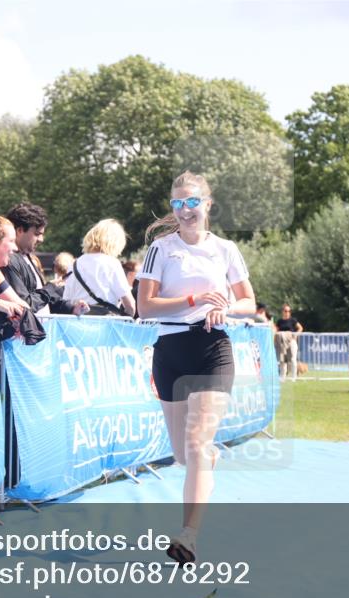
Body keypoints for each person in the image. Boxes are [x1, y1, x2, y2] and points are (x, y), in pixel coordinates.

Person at [136, 171, 255, 565]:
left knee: (197, 443)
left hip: (212, 348)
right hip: (170, 350)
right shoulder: (160, 248)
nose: (185, 211)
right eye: (177, 204)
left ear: (207, 204)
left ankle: (188, 536)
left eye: (192, 202)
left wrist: (225, 308)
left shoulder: (225, 249)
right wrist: (193, 298)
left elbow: (249, 303)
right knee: (185, 456)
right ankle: (206, 461)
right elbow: (145, 307)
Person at [1, 202, 86, 316]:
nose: (41, 239)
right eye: (37, 234)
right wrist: (50, 289)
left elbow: (41, 301)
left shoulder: (27, 257)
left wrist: (71, 308)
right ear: (20, 230)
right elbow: (25, 305)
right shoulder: (8, 261)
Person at [64, 218, 135, 316]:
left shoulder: (74, 264)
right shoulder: (112, 263)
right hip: (105, 323)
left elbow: (66, 299)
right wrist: (128, 319)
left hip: (78, 322)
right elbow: (130, 304)